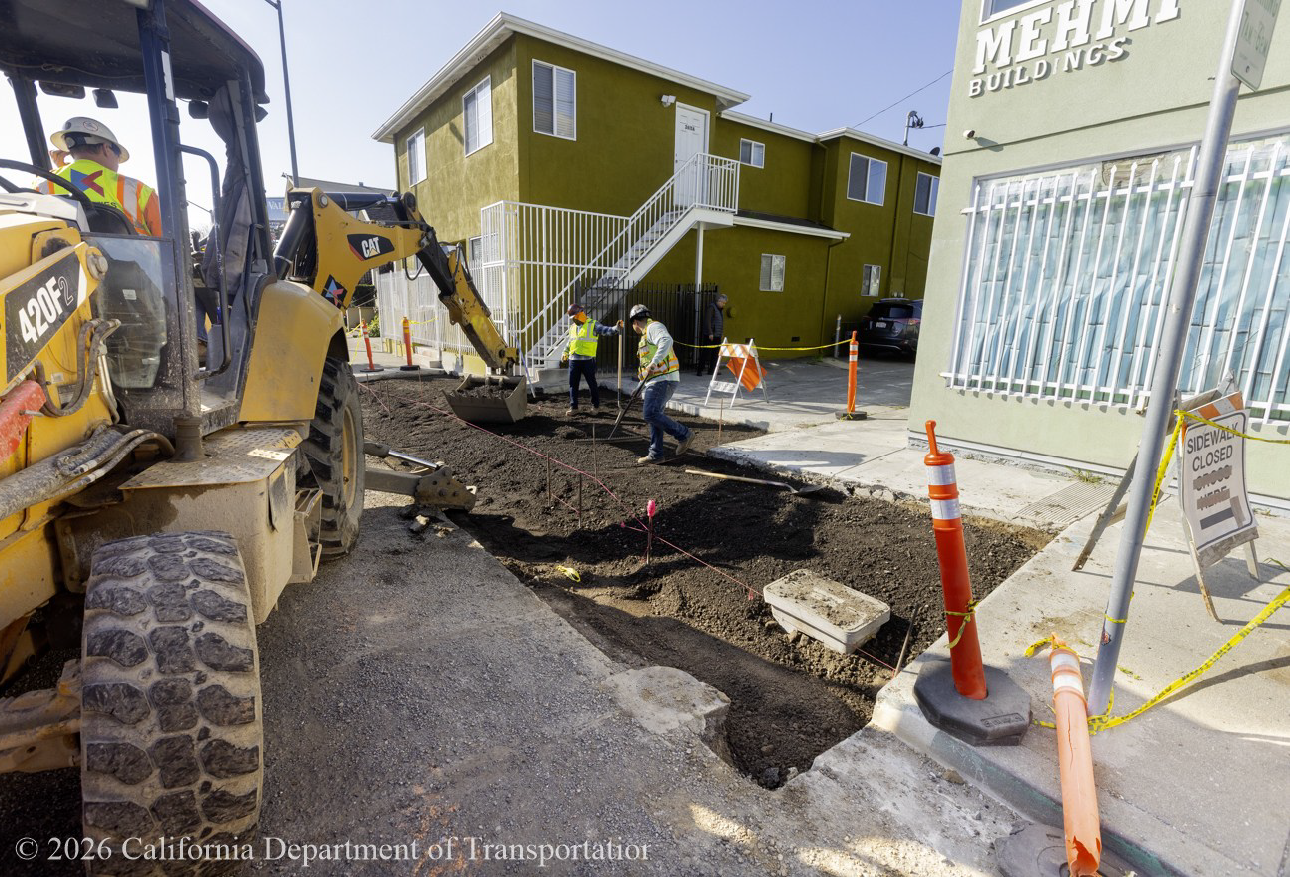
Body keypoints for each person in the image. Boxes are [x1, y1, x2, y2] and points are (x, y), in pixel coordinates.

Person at [34, 117, 162, 236]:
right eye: (118, 157)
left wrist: (59, 170)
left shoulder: (42, 185)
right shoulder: (138, 191)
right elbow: (170, 238)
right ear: (106, 149)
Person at [629, 304, 695, 464]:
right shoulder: (645, 337)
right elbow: (646, 369)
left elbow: (667, 340)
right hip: (658, 380)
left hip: (664, 379)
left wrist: (654, 362)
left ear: (635, 322)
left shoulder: (653, 327)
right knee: (654, 416)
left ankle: (684, 434)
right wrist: (639, 387)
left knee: (650, 413)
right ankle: (656, 454)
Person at [560, 303, 621, 415]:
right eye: (572, 318)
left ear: (581, 313)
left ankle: (595, 407)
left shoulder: (593, 324)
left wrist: (616, 328)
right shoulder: (573, 327)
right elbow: (570, 342)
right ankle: (574, 407)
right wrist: (565, 352)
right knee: (573, 385)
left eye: (574, 317)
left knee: (592, 384)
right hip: (573, 360)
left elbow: (605, 330)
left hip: (588, 361)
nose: (573, 320)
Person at [695, 293, 728, 376]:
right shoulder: (711, 308)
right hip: (710, 335)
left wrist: (721, 333)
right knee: (706, 353)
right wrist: (710, 333)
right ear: (718, 301)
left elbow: (720, 323)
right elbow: (708, 321)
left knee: (715, 353)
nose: (723, 304)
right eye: (722, 302)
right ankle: (700, 370)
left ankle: (712, 370)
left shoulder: (720, 310)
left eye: (724, 303)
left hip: (717, 335)